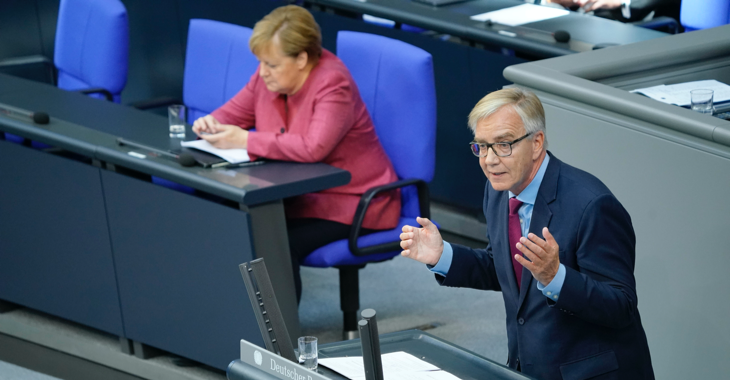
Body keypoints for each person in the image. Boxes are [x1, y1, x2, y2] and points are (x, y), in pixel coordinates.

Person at [399, 88, 654, 379]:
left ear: (536, 143)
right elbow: (505, 269)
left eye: (503, 144)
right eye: (481, 146)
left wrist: (555, 277)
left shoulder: (592, 205)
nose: (489, 160)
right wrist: (443, 255)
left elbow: (620, 305)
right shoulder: (498, 191)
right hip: (530, 367)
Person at [192, 5, 401, 302]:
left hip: (353, 201)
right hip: (299, 195)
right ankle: (234, 321)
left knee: (275, 241)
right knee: (234, 225)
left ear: (302, 59)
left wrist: (245, 141)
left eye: (272, 65)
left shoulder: (333, 83)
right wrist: (210, 124)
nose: (263, 72)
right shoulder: (269, 76)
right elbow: (230, 115)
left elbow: (314, 146)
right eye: (261, 63)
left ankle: (283, 341)